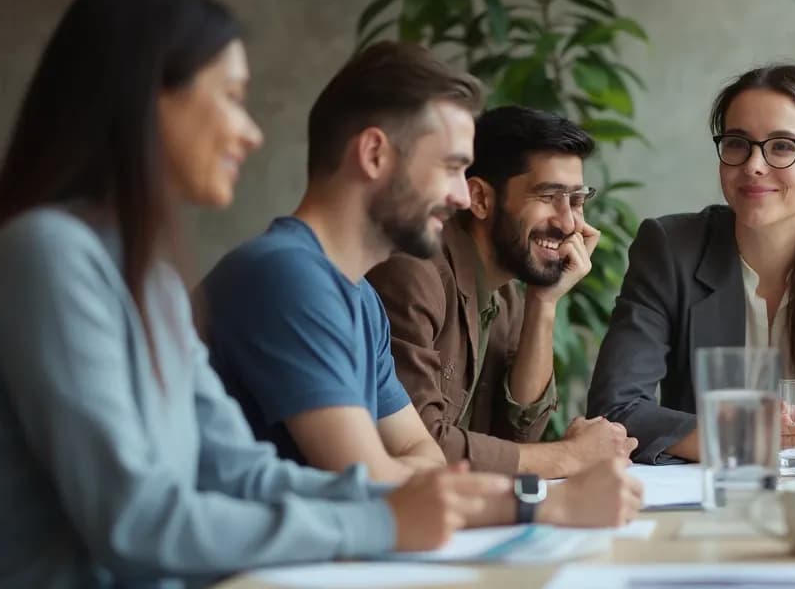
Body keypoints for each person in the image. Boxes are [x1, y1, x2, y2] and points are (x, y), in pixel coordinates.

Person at [0, 0, 499, 587]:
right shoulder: (43, 259)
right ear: (150, 96)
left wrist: (399, 507)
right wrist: (378, 523)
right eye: (232, 97)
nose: (251, 131)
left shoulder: (147, 279)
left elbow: (241, 471)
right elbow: (137, 522)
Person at [197, 42, 641, 524]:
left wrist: (397, 471)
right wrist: (545, 504)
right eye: (450, 167)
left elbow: (424, 457)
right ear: (374, 154)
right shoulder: (287, 277)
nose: (458, 196)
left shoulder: (358, 296)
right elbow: (368, 483)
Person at [588, 64, 795, 465]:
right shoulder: (671, 248)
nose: (754, 165)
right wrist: (748, 432)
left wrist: (731, 435)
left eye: (781, 146)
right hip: (706, 498)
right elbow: (613, 413)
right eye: (738, 143)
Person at [366, 105, 636, 478]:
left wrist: (544, 300)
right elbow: (422, 448)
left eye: (576, 200)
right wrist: (571, 455)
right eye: (548, 197)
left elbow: (517, 437)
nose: (569, 222)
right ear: (479, 199)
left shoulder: (507, 291)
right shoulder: (415, 273)